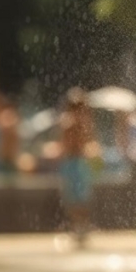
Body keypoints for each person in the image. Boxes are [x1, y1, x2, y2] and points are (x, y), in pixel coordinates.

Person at [58, 88, 97, 248]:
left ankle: (82, 227)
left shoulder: (80, 122)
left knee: (80, 197)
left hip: (78, 162)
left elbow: (87, 141)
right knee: (74, 198)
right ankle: (78, 227)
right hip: (73, 162)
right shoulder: (71, 121)